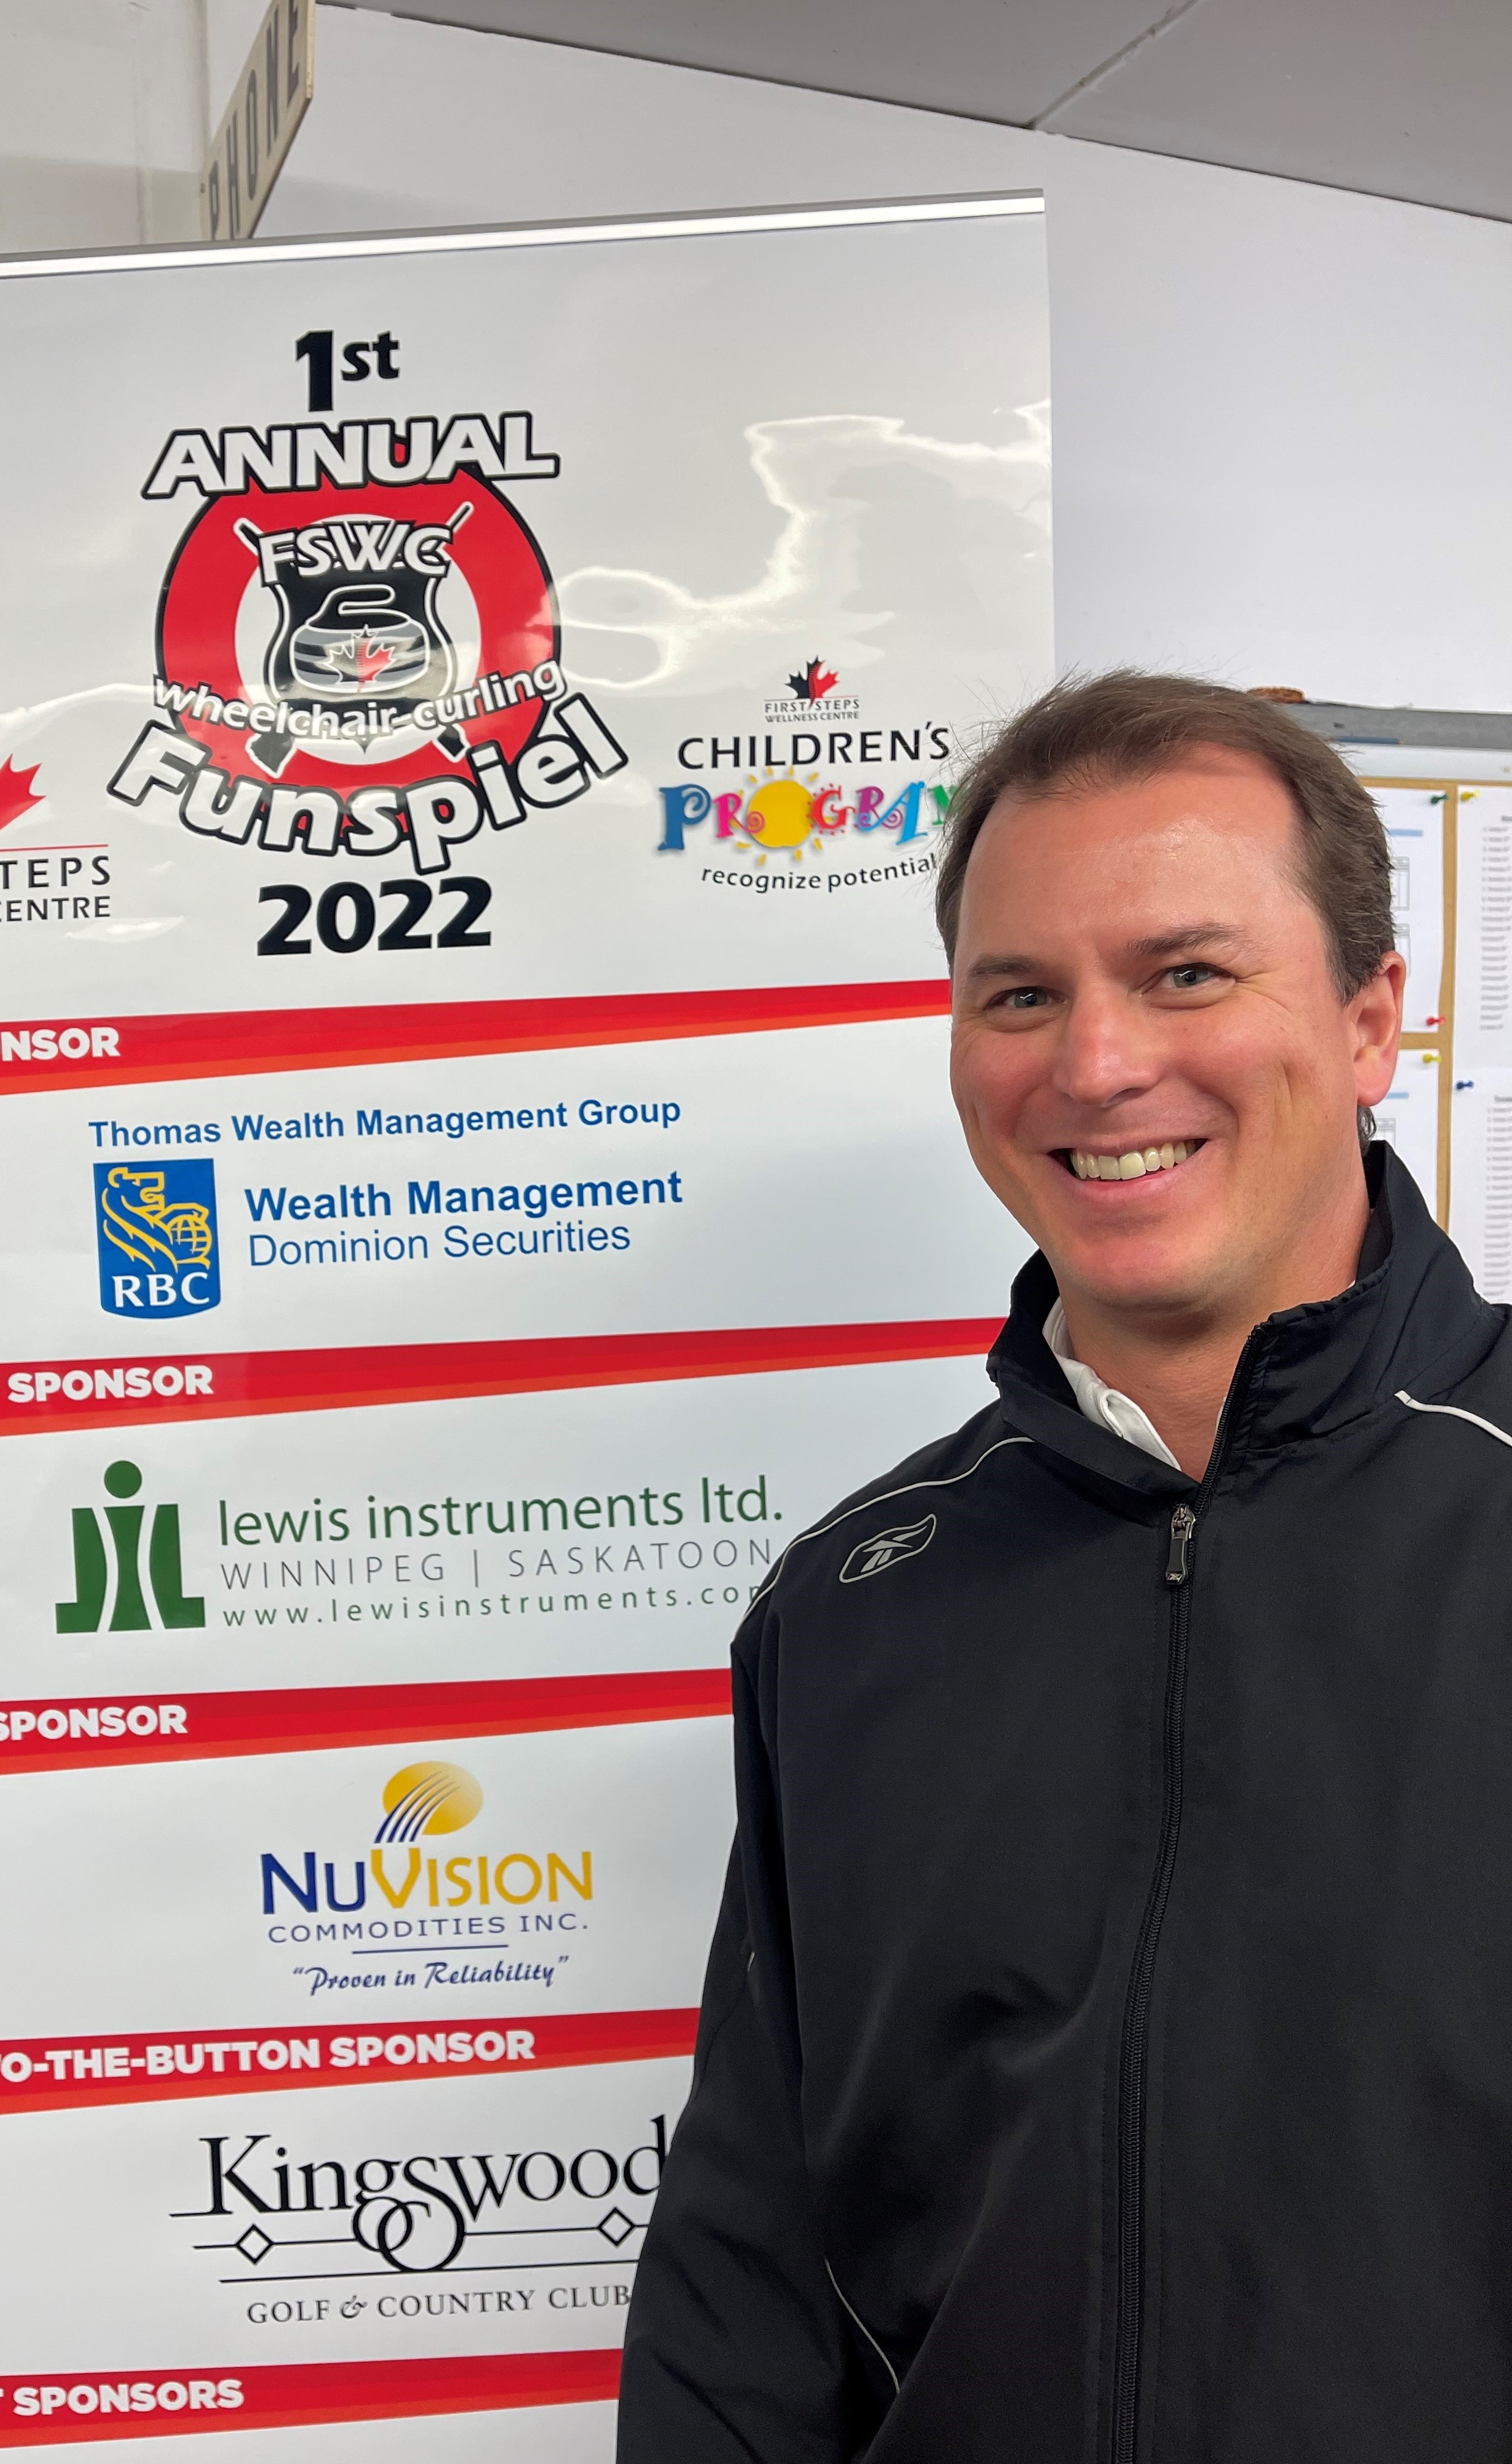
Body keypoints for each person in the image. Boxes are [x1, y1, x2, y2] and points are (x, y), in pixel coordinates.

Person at [618, 672, 1512, 2463]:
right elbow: (751, 2283)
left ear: (1370, 1023)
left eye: (1187, 973)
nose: (1096, 1066)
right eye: (1021, 994)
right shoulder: (850, 1608)